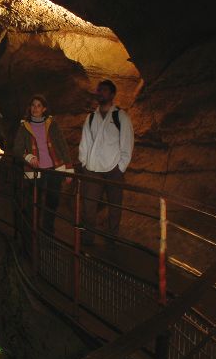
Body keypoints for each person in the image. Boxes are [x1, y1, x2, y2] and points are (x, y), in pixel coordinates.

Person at [78, 79, 134, 244]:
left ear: (112, 94)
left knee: (115, 208)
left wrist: (120, 167)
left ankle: (111, 241)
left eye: (103, 90)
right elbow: (85, 143)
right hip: (92, 168)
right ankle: (88, 240)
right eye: (98, 90)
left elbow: (127, 142)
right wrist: (83, 163)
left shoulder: (120, 117)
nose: (100, 93)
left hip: (113, 169)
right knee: (89, 207)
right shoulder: (90, 118)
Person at [13, 95, 74, 234]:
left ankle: (48, 230)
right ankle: (32, 230)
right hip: (35, 170)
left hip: (54, 169)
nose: (35, 108)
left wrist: (69, 168)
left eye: (39, 105)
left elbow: (62, 146)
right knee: (34, 202)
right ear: (30, 108)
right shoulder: (24, 127)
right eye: (33, 105)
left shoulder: (52, 124)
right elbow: (17, 149)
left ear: (44, 109)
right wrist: (28, 156)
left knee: (52, 201)